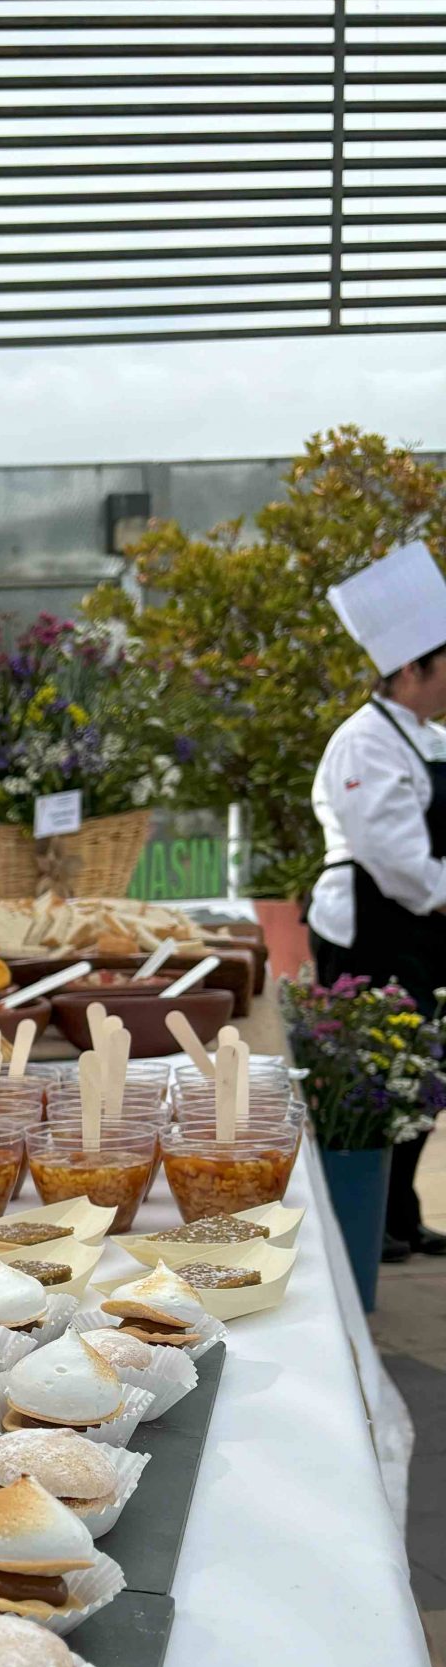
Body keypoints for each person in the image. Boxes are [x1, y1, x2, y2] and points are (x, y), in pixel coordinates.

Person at [314, 540, 446, 1261]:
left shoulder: (429, 738)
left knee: (421, 1077)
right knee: (375, 1080)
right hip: (371, 930)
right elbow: (400, 862)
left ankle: (401, 1213)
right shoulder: (365, 743)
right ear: (411, 668)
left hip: (421, 931)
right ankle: (371, 1220)